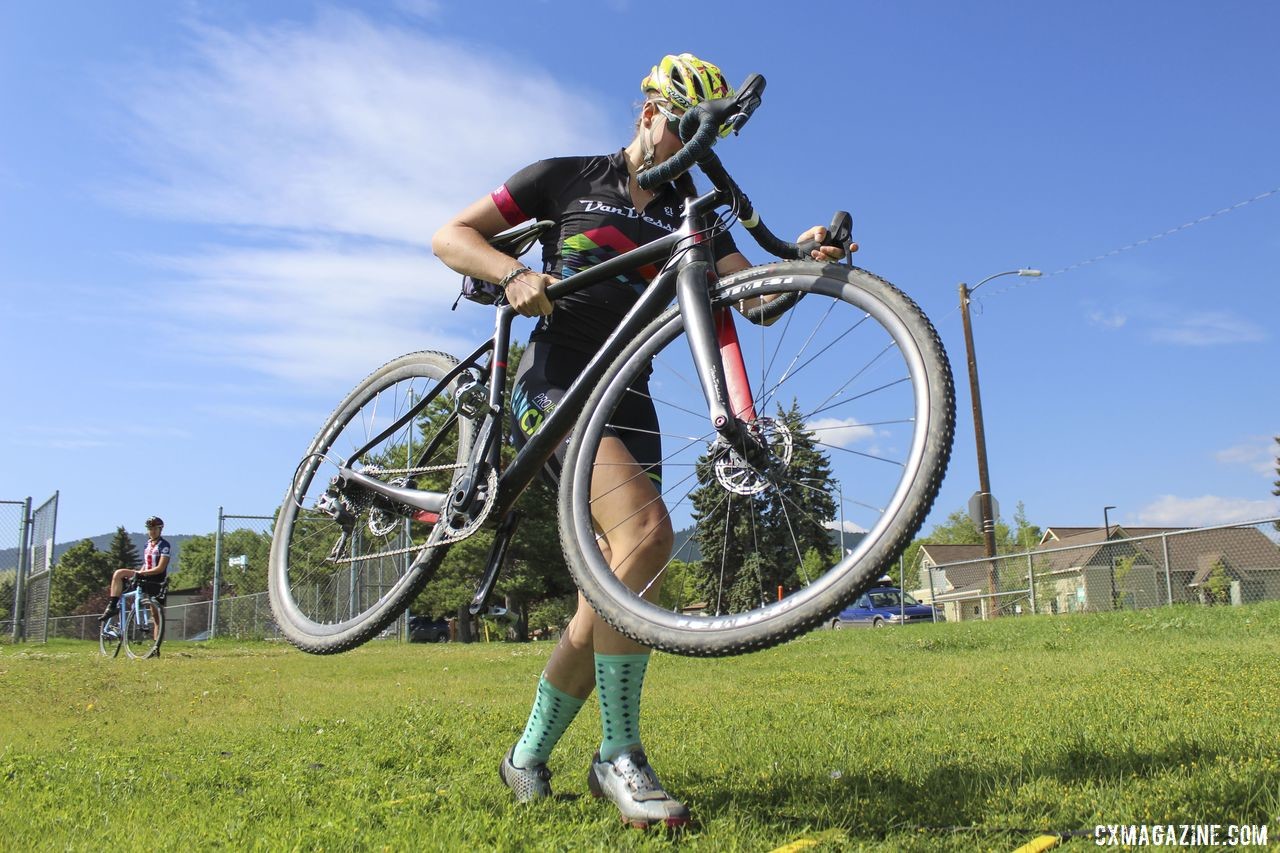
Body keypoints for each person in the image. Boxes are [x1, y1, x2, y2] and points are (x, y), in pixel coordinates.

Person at [431, 53, 848, 828]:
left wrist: (806, 265)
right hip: (554, 383)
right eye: (679, 122)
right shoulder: (567, 176)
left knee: (622, 584)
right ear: (648, 112)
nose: (687, 139)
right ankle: (618, 753)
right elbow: (450, 235)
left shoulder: (694, 212)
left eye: (705, 130)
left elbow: (750, 302)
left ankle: (525, 755)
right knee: (649, 530)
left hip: (631, 402)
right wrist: (510, 273)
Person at [100, 516, 171, 634]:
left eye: (155, 529)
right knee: (119, 573)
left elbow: (160, 568)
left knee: (156, 615)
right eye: (150, 529)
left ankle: (155, 646)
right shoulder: (147, 544)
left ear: (160, 529)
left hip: (156, 580)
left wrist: (141, 572)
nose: (152, 532)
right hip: (144, 574)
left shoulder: (164, 545)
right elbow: (146, 563)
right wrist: (139, 572)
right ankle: (112, 606)